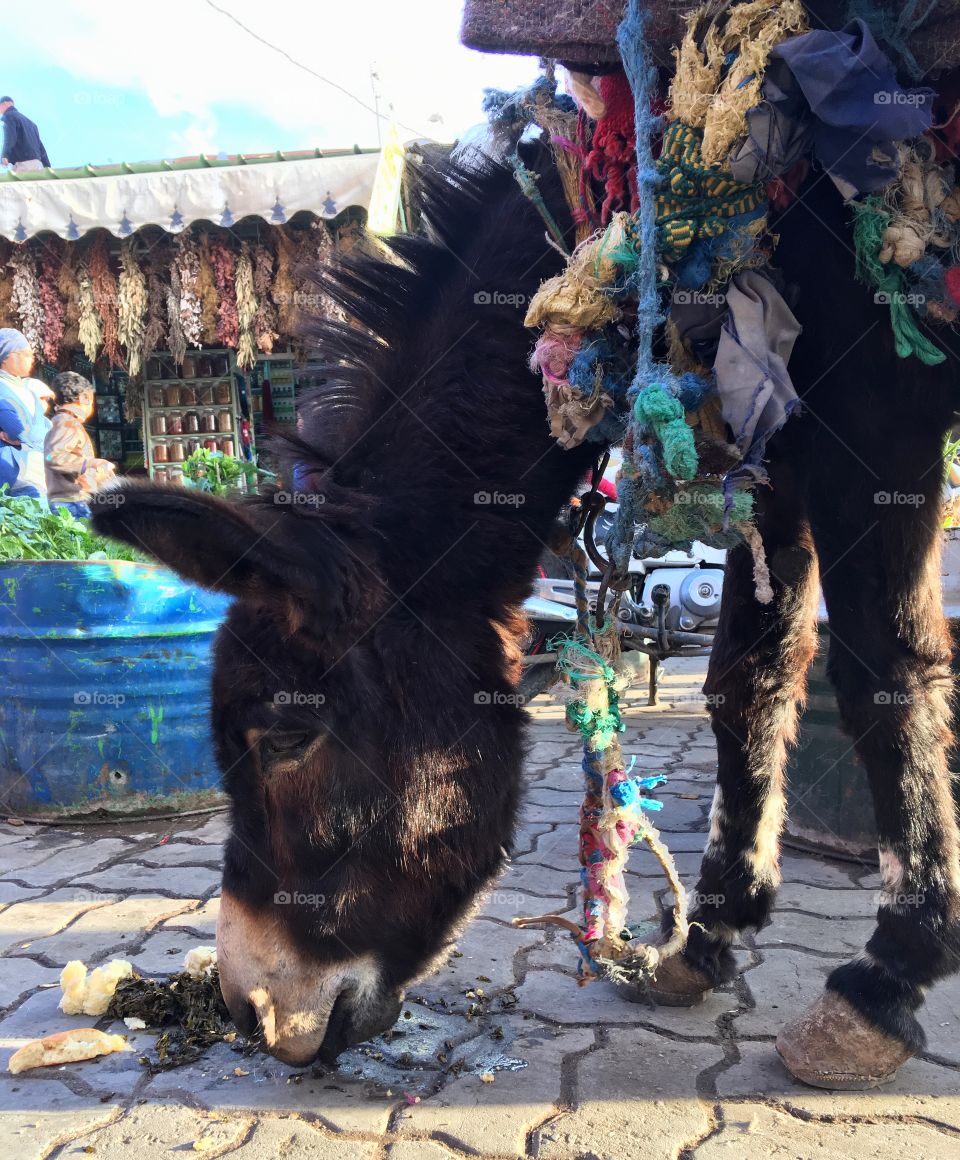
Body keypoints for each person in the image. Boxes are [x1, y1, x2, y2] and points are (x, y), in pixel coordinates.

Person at [44, 371, 115, 517]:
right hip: (72, 503)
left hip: (73, 501)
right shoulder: (66, 423)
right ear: (85, 398)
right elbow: (52, 457)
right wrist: (90, 463)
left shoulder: (65, 422)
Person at [0, 328, 50, 498]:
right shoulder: (2, 389)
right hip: (11, 478)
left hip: (35, 475)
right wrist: (29, 436)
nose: (31, 360)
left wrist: (27, 438)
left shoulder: (29, 392)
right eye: (26, 354)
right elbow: (18, 430)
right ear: (8, 356)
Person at [0, 97, 50, 172]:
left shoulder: (9, 116)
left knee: (13, 183)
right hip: (37, 165)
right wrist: (47, 166)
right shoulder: (32, 124)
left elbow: (10, 138)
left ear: (5, 103)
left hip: (24, 165)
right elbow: (40, 146)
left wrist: (5, 155)